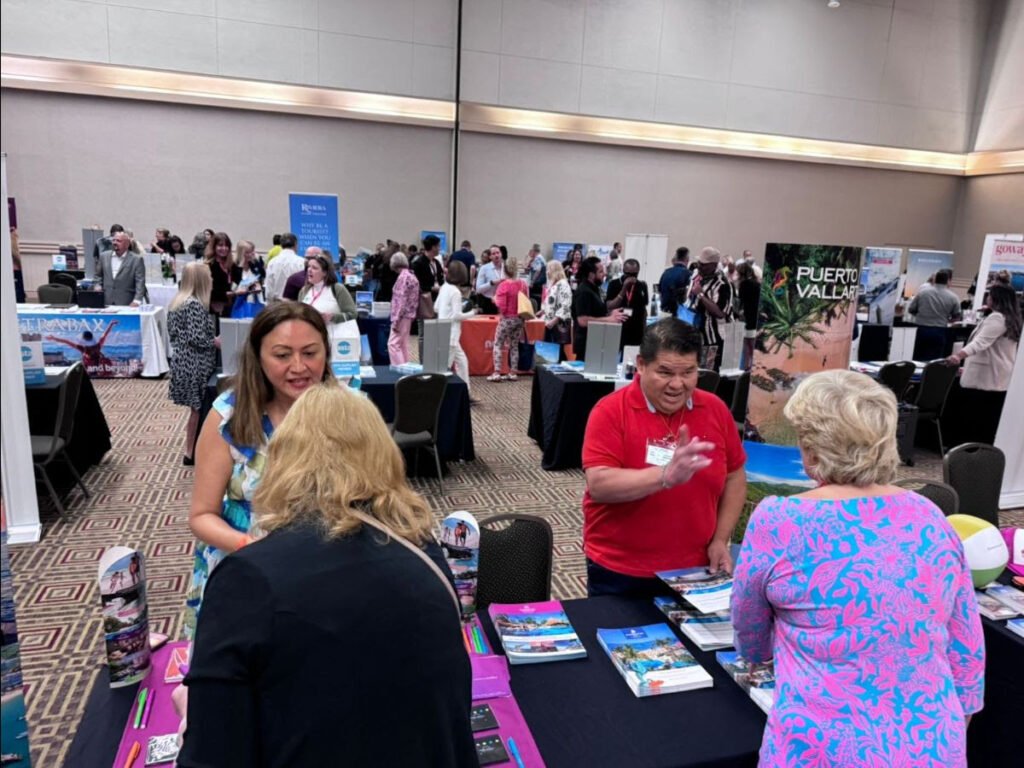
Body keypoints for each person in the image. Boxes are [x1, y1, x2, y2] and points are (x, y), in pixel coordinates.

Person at [177, 385, 476, 767]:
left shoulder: (247, 579)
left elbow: (212, 753)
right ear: (383, 454)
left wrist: (193, 715)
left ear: (284, 458)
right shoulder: (424, 551)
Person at [732, 370, 984, 767]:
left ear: (811, 447)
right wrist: (949, 730)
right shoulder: (930, 515)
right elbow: (966, 646)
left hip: (821, 747)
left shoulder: (780, 520)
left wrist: (763, 653)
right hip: (931, 746)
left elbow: (750, 633)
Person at [183, 302, 334, 638]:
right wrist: (252, 546)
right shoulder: (229, 418)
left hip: (324, 571)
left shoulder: (345, 411)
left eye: (310, 353)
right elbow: (201, 516)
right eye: (282, 355)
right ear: (258, 357)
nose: (299, 367)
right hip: (246, 570)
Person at [581, 319, 746, 596]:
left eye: (689, 373)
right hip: (621, 570)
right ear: (641, 364)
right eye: (665, 372)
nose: (677, 385)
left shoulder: (715, 409)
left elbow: (735, 476)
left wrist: (720, 539)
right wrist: (665, 476)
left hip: (696, 569)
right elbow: (599, 484)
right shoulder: (610, 411)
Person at [944, 283, 1021, 444]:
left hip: (985, 377)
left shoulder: (997, 318)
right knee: (987, 419)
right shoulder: (1012, 319)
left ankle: (969, 450)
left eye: (990, 295)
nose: (988, 298)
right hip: (998, 374)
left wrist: (958, 355)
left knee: (975, 418)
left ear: (996, 298)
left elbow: (980, 342)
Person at [167, 262, 218, 466]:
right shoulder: (194, 305)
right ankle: (191, 452)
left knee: (195, 409)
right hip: (194, 364)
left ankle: (191, 451)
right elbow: (197, 339)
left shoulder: (179, 302)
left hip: (183, 361)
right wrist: (216, 341)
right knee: (197, 409)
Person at [686, 246, 732, 372]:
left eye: (704, 265)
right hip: (697, 334)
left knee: (707, 373)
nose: (700, 266)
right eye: (699, 263)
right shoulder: (700, 278)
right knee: (694, 371)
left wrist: (701, 295)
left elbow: (720, 313)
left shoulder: (722, 284)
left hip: (712, 339)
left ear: (714, 265)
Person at [435, 261, 477, 396]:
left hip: (441, 329)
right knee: (444, 367)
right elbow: (456, 316)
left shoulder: (444, 287)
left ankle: (466, 393)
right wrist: (473, 313)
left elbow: (436, 307)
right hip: (451, 333)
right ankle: (439, 395)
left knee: (462, 362)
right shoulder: (456, 292)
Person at [572, 256, 624, 362]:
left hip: (597, 342)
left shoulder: (595, 289)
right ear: (591, 274)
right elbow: (582, 320)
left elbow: (596, 312)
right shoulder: (584, 292)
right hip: (587, 345)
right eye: (600, 272)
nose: (604, 274)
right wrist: (609, 320)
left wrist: (610, 314)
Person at [489, 257, 528, 382]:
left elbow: (502, 306)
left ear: (505, 270)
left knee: (498, 344)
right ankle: (513, 372)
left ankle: (496, 372)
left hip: (507, 319)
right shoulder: (523, 284)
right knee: (514, 345)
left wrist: (494, 299)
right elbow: (526, 301)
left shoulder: (504, 285)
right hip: (519, 318)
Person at [909, 269, 961, 359]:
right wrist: (947, 319)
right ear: (948, 281)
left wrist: (921, 315)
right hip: (940, 331)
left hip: (921, 329)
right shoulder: (953, 297)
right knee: (934, 359)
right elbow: (956, 316)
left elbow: (911, 309)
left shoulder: (923, 293)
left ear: (935, 279)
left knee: (918, 356)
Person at [298, 252, 357, 324]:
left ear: (325, 273)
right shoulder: (304, 290)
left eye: (314, 268)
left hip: (335, 333)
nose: (309, 270)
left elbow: (353, 314)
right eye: (309, 266)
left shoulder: (337, 288)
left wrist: (333, 317)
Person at [605, 257, 649, 349]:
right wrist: (624, 288)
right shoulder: (614, 284)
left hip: (636, 330)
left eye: (635, 274)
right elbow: (609, 306)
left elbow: (644, 310)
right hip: (618, 328)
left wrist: (644, 331)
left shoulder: (642, 285)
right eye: (628, 274)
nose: (632, 277)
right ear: (623, 271)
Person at [96, 231, 146, 306]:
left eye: (119, 241)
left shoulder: (136, 259)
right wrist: (97, 285)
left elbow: (140, 282)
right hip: (106, 301)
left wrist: (137, 300)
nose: (115, 243)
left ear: (127, 244)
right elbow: (98, 275)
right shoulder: (103, 256)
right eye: (114, 240)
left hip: (127, 302)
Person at [387, 252, 420, 365]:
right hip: (409, 316)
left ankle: (399, 370)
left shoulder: (402, 278)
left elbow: (400, 301)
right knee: (404, 344)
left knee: (393, 344)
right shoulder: (412, 276)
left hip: (401, 316)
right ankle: (406, 367)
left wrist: (395, 321)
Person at [204, 232, 238, 317]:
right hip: (213, 308)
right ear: (214, 247)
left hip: (230, 307)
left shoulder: (232, 265)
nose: (224, 248)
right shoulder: (208, 266)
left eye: (226, 246)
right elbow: (206, 289)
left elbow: (238, 281)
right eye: (220, 245)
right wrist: (225, 294)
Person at [541, 260, 573, 353]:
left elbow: (565, 304)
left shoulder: (563, 284)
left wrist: (555, 320)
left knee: (557, 351)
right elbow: (550, 302)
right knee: (551, 351)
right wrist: (542, 311)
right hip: (549, 322)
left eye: (549, 269)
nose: (547, 272)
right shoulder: (554, 284)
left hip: (558, 323)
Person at [735, 261, 761, 371]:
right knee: (752, 343)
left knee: (746, 344)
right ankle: (751, 365)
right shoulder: (758, 284)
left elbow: (740, 302)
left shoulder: (743, 285)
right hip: (756, 316)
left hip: (747, 316)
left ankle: (746, 367)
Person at [229, 240, 264, 317]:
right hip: (239, 301)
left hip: (255, 301)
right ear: (241, 253)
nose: (251, 254)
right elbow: (234, 284)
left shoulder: (253, 264)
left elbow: (262, 275)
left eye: (252, 252)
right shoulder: (235, 267)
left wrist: (257, 262)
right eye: (248, 252)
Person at [264, 232, 303, 300]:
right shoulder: (301, 262)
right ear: (296, 245)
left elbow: (269, 289)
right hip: (295, 303)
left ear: (281, 245)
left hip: (277, 303)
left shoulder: (272, 262)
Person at [412, 234, 445, 316]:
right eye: (438, 246)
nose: (439, 249)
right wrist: (431, 288)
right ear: (433, 247)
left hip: (438, 298)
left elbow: (440, 278)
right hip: (424, 300)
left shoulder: (437, 263)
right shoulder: (418, 264)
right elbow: (416, 285)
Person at [658, 247, 691, 317]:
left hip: (664, 313)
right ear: (687, 259)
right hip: (680, 314)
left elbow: (660, 293)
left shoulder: (666, 273)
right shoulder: (688, 274)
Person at [474, 245, 503, 314]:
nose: (496, 255)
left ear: (501, 254)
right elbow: (478, 289)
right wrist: (491, 283)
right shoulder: (484, 268)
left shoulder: (505, 268)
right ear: (490, 257)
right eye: (493, 254)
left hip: (503, 302)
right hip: (488, 303)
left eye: (498, 253)